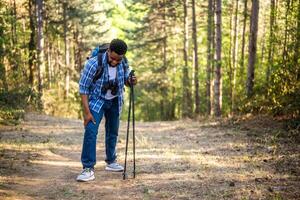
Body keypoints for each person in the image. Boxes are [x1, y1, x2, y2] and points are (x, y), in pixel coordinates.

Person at [76, 39, 137, 182]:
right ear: (108, 51)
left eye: (118, 59)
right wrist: (86, 113)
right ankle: (88, 168)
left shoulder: (123, 63)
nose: (115, 62)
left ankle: (111, 161)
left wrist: (132, 81)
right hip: (97, 100)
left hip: (115, 100)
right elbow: (83, 89)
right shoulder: (92, 64)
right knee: (91, 130)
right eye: (113, 58)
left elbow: (126, 82)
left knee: (113, 131)